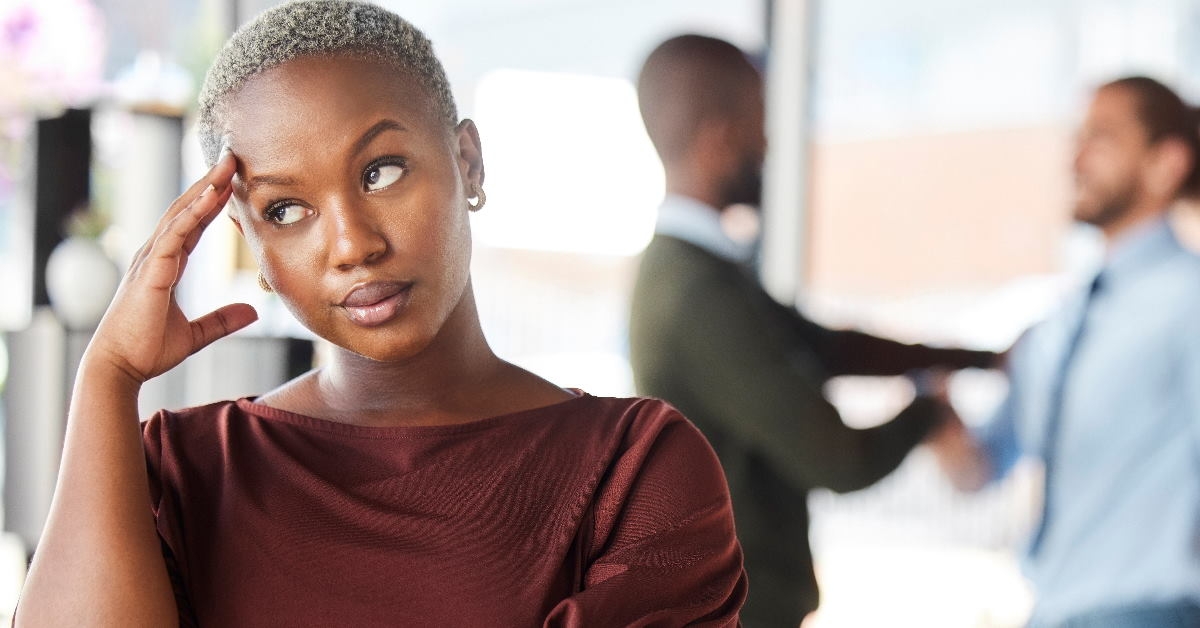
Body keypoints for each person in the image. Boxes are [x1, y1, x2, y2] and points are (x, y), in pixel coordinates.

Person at [14, 3, 747, 626]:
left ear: (468, 163)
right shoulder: (184, 471)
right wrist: (106, 379)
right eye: (287, 209)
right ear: (254, 251)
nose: (353, 244)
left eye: (380, 171)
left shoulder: (635, 469)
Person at [628, 34, 996, 627]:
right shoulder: (698, 294)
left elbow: (825, 346)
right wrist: (929, 414)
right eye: (762, 125)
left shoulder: (694, 272)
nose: (771, 145)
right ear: (719, 138)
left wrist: (979, 358)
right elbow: (838, 459)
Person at [930, 76, 1200, 627]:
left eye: (1101, 139)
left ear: (1166, 163)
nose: (1075, 158)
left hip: (1153, 611)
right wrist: (929, 399)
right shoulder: (1057, 324)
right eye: (1077, 138)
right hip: (1052, 611)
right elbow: (979, 471)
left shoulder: (1189, 302)